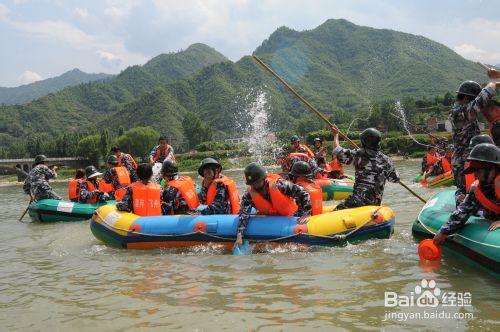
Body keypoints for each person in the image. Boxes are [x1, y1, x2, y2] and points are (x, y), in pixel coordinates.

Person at [433, 143, 500, 245]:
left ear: (492, 168)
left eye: (478, 170)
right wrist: (443, 232)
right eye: (473, 170)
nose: (475, 174)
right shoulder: (477, 189)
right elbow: (463, 210)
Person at [236, 162, 312, 244]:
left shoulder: (279, 185)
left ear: (263, 178)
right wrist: (240, 234)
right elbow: (243, 213)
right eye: (252, 184)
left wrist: (306, 213)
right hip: (270, 220)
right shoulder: (249, 195)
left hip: (291, 217)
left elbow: (304, 193)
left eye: (257, 182)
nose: (255, 186)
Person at [448, 80, 498, 203]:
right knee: (466, 194)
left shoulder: (464, 112)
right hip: (463, 163)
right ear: (465, 98)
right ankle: (462, 212)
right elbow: (480, 102)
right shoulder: (458, 113)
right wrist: (493, 84)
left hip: (472, 160)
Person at [330, 126, 400, 210]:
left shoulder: (359, 154)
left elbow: (337, 151)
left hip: (357, 202)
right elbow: (395, 179)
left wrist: (336, 135)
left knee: (335, 211)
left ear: (364, 142)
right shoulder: (387, 160)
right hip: (375, 204)